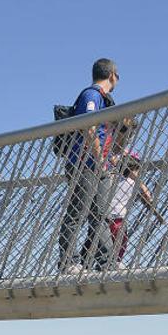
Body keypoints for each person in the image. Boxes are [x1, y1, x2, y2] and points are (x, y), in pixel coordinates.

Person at [56, 58, 118, 272]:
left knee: (100, 215)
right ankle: (68, 261)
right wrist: (100, 156)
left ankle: (106, 261)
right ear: (111, 75)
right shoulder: (91, 95)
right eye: (117, 75)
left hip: (98, 165)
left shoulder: (103, 98)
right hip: (84, 163)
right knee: (77, 212)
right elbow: (89, 126)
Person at [104, 151, 165, 268]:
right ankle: (116, 262)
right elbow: (147, 196)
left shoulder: (110, 178)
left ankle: (106, 262)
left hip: (105, 217)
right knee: (121, 242)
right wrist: (149, 196)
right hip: (118, 219)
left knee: (105, 242)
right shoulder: (133, 183)